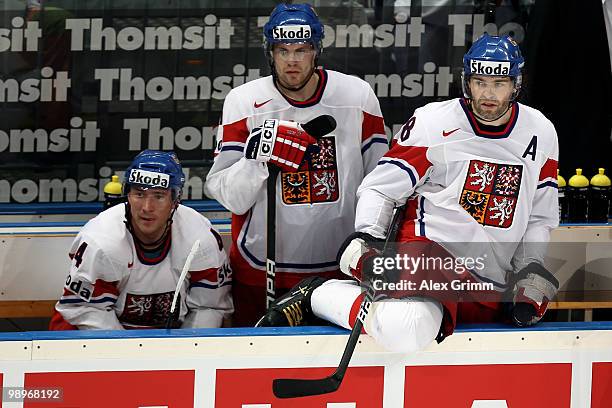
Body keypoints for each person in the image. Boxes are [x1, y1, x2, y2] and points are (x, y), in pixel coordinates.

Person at [257, 34, 560, 352]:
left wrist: (530, 267)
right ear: (465, 82)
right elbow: (381, 186)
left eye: (498, 83)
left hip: (488, 271)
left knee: (429, 333)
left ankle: (335, 295)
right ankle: (318, 294)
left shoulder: (540, 131)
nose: (487, 93)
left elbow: (537, 214)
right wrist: (366, 240)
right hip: (430, 248)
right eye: (479, 81)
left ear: (516, 84)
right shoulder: (434, 122)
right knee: (408, 326)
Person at [204, 3, 388, 326]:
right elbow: (227, 195)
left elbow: (380, 183)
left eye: (301, 49)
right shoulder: (244, 102)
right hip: (261, 270)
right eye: (283, 49)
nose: (292, 60)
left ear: (316, 51)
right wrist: (258, 159)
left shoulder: (357, 96)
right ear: (269, 52)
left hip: (339, 267)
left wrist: (371, 248)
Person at [49, 150, 233, 330]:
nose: (147, 207)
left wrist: (184, 352)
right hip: (91, 337)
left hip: (170, 336)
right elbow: (85, 309)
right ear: (127, 194)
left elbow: (209, 307)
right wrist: (128, 356)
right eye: (139, 194)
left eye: (159, 196)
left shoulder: (200, 240)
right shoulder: (103, 241)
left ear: (175, 200)